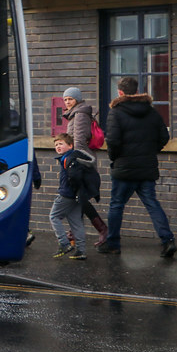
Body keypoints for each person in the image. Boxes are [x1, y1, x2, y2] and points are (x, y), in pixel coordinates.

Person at [98, 76, 177, 258]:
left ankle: (113, 244)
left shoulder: (116, 112)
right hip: (146, 168)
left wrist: (115, 159)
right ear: (136, 90)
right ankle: (168, 241)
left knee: (117, 205)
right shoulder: (151, 111)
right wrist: (150, 151)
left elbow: (113, 142)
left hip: (124, 168)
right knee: (152, 204)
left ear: (120, 92)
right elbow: (164, 137)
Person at [62, 87, 109, 246]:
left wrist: (73, 163)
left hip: (82, 163)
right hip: (81, 161)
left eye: (71, 99)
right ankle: (74, 232)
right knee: (79, 199)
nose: (67, 102)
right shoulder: (76, 114)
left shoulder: (80, 115)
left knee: (80, 198)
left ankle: (102, 230)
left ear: (77, 100)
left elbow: (79, 143)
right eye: (66, 99)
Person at [50, 132, 96, 260]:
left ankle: (64, 244)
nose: (58, 146)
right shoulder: (74, 157)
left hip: (66, 194)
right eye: (56, 145)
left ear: (70, 146)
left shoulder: (68, 158)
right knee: (76, 222)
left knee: (54, 216)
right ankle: (81, 251)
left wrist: (67, 191)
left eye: (61, 144)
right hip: (77, 195)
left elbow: (74, 177)